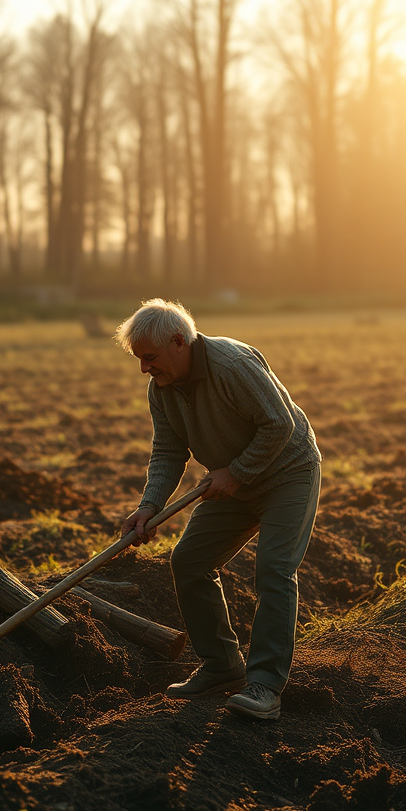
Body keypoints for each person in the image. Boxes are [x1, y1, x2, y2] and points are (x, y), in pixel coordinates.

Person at [116, 299, 322, 721]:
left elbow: (280, 424)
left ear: (178, 342)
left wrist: (239, 472)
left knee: (274, 569)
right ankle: (222, 666)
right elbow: (169, 450)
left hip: (288, 473)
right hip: (232, 482)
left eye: (149, 358)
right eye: (139, 360)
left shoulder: (232, 364)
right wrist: (149, 506)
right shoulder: (162, 388)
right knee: (189, 560)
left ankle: (265, 685)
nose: (144, 369)